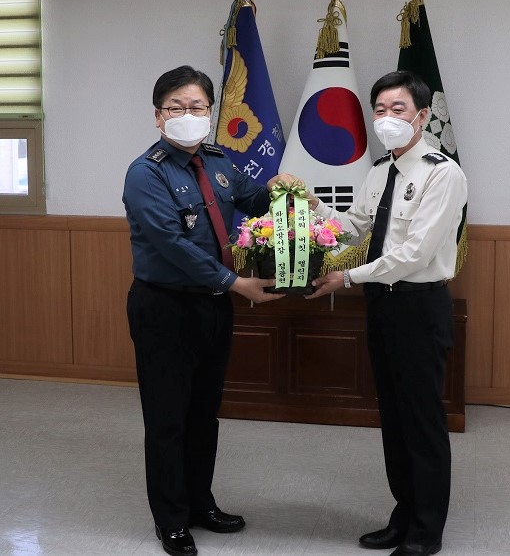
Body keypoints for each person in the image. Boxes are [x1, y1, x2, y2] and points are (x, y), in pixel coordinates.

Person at [123, 65, 298, 556]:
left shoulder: (218, 161)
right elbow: (172, 244)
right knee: (167, 419)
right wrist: (236, 283)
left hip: (214, 307)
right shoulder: (146, 173)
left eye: (197, 106)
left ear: (210, 112)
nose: (188, 114)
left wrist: (280, 187)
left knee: (204, 414)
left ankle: (201, 503)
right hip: (166, 307)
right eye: (176, 107)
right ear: (158, 117)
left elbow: (253, 199)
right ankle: (172, 521)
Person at [306, 70, 467, 556]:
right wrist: (311, 205)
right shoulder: (379, 171)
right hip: (382, 306)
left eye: (398, 109)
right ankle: (403, 516)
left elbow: (415, 253)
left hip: (419, 306)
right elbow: (353, 228)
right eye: (379, 110)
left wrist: (348, 278)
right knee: (394, 418)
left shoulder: (442, 173)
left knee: (422, 420)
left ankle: (426, 531)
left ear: (422, 115)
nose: (387, 118)